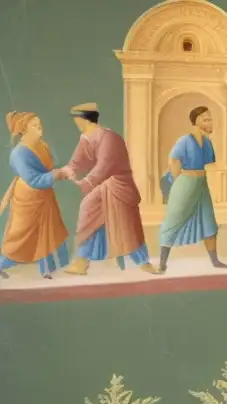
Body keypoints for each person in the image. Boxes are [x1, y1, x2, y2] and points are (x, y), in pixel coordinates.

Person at [62, 103, 158, 275]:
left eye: (76, 118)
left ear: (84, 118)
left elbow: (105, 166)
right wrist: (69, 170)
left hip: (118, 184)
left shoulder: (109, 137)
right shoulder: (86, 137)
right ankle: (81, 261)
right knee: (92, 217)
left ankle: (143, 262)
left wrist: (85, 183)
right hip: (103, 186)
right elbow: (77, 161)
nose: (75, 122)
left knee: (125, 224)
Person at [158, 105, 227, 272]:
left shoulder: (207, 142)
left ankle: (215, 261)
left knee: (209, 221)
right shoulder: (185, 140)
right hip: (186, 182)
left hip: (201, 184)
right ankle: (162, 264)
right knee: (173, 221)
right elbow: (174, 160)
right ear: (196, 122)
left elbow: (210, 163)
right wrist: (177, 184)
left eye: (210, 119)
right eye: (206, 119)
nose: (210, 122)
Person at [0, 112, 70, 280]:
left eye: (40, 124)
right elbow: (34, 179)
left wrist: (65, 171)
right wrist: (58, 174)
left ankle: (46, 270)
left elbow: (52, 167)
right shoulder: (19, 154)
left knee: (47, 232)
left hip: (44, 197)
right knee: (23, 238)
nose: (39, 127)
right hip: (28, 199)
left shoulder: (43, 145)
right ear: (24, 130)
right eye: (34, 125)